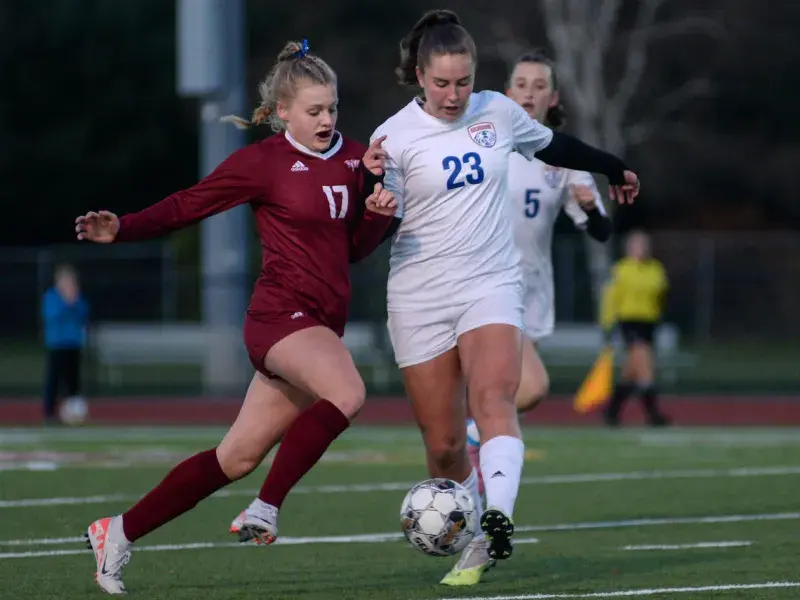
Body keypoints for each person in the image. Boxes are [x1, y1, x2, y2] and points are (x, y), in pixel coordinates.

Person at [76, 39, 398, 595]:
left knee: (237, 457)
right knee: (348, 392)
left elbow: (353, 250)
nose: (327, 120)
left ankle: (117, 532)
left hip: (319, 325)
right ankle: (266, 510)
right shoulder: (262, 163)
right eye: (314, 111)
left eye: (333, 108)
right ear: (282, 114)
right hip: (279, 318)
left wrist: (378, 215)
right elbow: (188, 204)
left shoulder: (355, 157)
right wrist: (123, 227)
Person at [371, 9, 639, 586]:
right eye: (441, 83)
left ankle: (496, 523)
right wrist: (374, 212)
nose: (453, 94)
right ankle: (466, 524)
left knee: (496, 400)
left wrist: (610, 164)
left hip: (490, 282)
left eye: (463, 81)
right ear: (420, 75)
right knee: (443, 448)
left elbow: (554, 145)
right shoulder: (392, 137)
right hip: (418, 295)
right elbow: (375, 229)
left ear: (475, 75)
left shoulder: (497, 110)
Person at [465, 50, 615, 492]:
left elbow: (602, 232)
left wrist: (590, 206)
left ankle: (470, 472)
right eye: (521, 84)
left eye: (539, 85)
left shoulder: (565, 161)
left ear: (553, 98)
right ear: (507, 92)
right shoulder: (482, 143)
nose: (529, 92)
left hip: (529, 295)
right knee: (528, 388)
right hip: (481, 285)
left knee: (504, 398)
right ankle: (470, 451)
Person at [600, 229, 671, 427]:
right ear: (629, 248)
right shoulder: (621, 269)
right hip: (629, 321)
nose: (641, 249)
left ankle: (611, 412)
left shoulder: (656, 269)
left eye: (644, 245)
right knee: (645, 367)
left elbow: (661, 293)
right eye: (636, 245)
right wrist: (607, 323)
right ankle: (654, 415)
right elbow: (611, 298)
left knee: (631, 371)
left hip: (649, 322)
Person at [41, 263, 90, 425]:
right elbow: (52, 316)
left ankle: (74, 414)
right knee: (53, 381)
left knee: (73, 382)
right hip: (57, 345)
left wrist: (74, 301)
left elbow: (84, 314)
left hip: (74, 344)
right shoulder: (51, 296)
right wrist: (66, 302)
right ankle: (49, 414)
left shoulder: (77, 297)